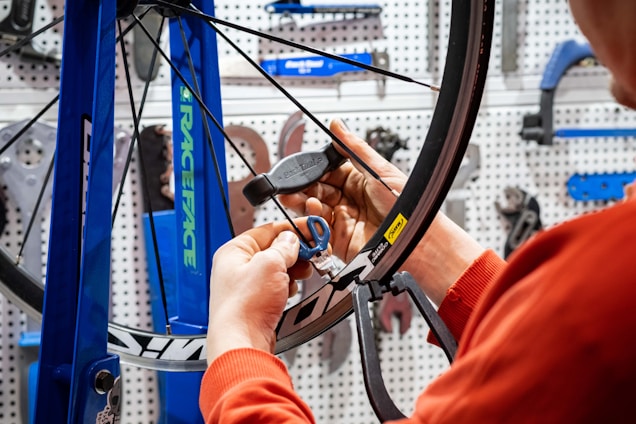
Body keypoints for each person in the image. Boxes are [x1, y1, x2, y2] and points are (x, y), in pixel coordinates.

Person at [200, 1, 636, 422]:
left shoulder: (610, 276)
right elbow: (559, 367)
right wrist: (424, 245)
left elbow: (578, 340)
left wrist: (240, 343)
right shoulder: (610, 277)